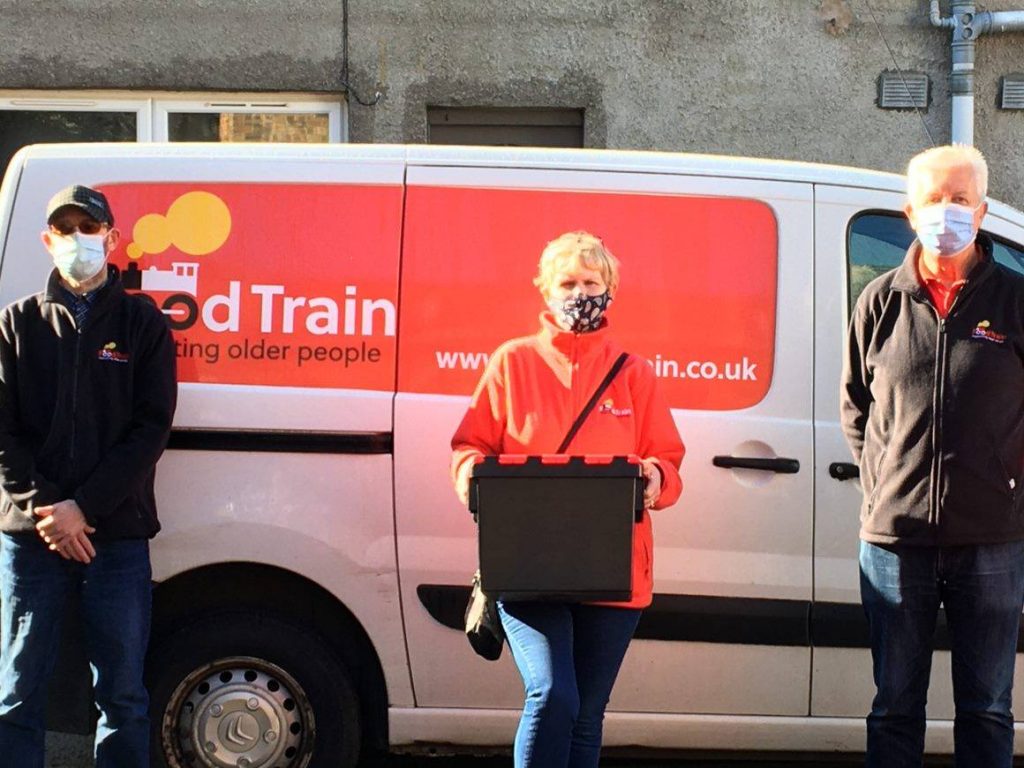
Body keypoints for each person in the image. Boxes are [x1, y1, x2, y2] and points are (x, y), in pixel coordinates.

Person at [451, 231, 684, 768]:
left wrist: (655, 477)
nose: (579, 292)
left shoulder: (634, 373)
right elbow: (470, 445)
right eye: (567, 282)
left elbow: (669, 463)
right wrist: (468, 476)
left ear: (611, 290)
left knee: (587, 713)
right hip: (527, 566)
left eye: (590, 281)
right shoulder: (511, 363)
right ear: (544, 290)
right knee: (553, 694)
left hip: (615, 571)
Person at [841, 145, 1024, 768]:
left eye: (960, 199)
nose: (946, 211)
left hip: (993, 542)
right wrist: (884, 487)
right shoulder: (880, 302)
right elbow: (856, 409)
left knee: (988, 709)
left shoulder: (1016, 302)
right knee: (893, 709)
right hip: (895, 544)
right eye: (933, 199)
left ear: (983, 208)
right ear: (910, 210)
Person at [0, 184, 177, 767]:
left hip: (115, 537)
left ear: (112, 239)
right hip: (31, 537)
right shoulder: (17, 324)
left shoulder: (142, 324)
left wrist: (87, 508)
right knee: (17, 692)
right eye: (66, 229)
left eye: (89, 227)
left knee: (122, 696)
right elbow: (4, 434)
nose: (78, 239)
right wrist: (50, 510)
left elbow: (151, 428)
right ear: (47, 241)